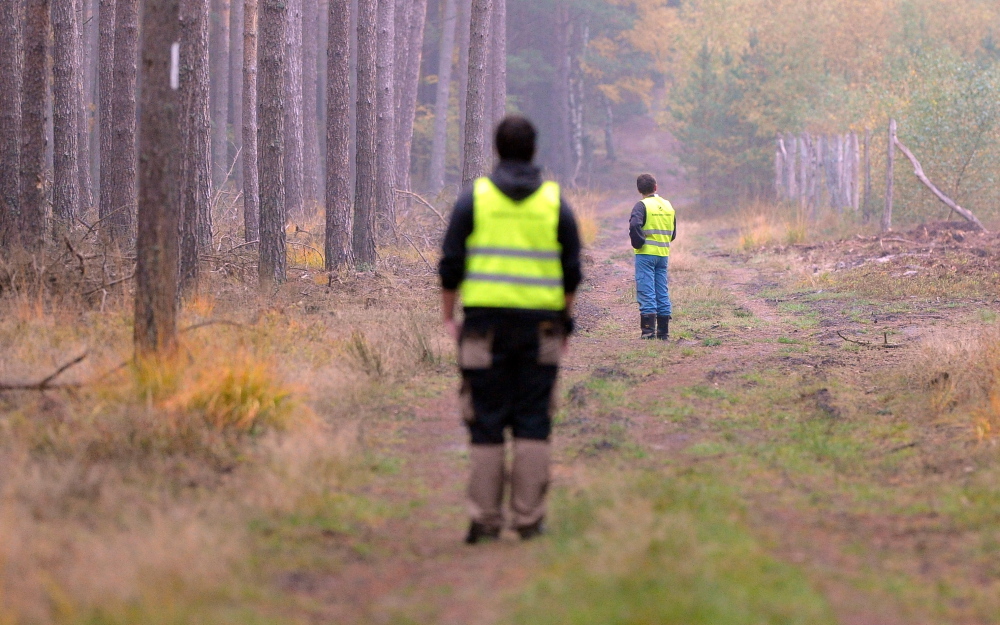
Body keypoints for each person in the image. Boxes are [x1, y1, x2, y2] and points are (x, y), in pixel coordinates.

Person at [439, 115, 582, 544]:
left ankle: (484, 521)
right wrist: (564, 322)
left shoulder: (474, 200)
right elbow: (572, 272)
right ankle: (529, 520)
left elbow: (450, 264)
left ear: (497, 149)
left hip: (483, 327)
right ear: (533, 149)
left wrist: (450, 316)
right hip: (541, 327)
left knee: (485, 420)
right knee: (534, 419)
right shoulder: (556, 203)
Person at [629, 173, 676, 340]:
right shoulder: (668, 205)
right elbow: (673, 233)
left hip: (645, 255)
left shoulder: (641, 205)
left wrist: (639, 242)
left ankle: (648, 332)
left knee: (646, 290)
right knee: (661, 291)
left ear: (639, 189)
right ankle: (663, 332)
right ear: (655, 187)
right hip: (663, 254)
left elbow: (635, 224)